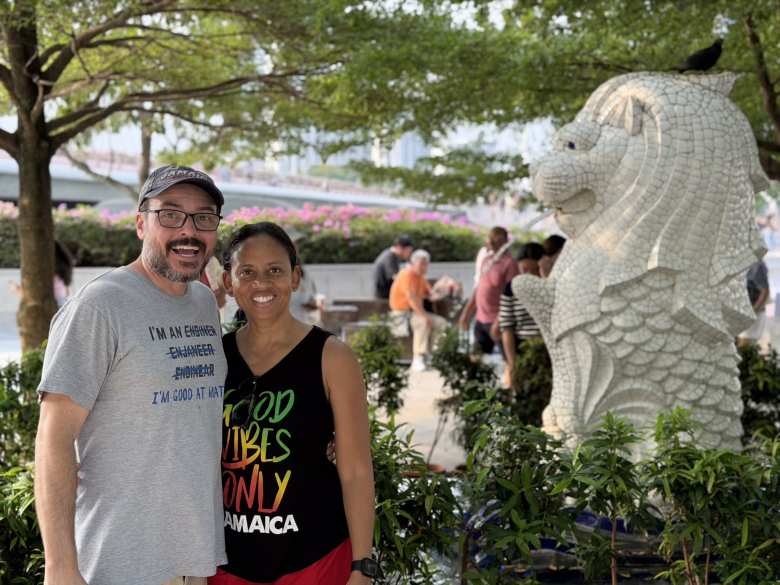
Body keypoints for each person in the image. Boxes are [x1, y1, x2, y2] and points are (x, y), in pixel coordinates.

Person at [34, 165, 228, 585]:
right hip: (117, 562)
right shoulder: (101, 305)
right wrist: (61, 567)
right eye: (171, 215)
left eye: (204, 218)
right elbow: (53, 438)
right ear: (141, 224)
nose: (188, 231)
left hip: (192, 557)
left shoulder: (202, 302)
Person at [212, 222, 375, 585]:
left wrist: (363, 566)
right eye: (247, 272)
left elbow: (356, 469)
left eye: (275, 271)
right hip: (227, 566)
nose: (262, 284)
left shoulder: (333, 356)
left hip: (315, 562)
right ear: (228, 281)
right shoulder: (214, 359)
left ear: (295, 277)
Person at [458, 227, 518, 354]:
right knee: (476, 358)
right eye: (491, 238)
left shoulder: (510, 263)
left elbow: (511, 296)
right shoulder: (486, 261)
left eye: (497, 239)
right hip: (481, 319)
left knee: (507, 360)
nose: (492, 242)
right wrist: (466, 313)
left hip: (498, 320)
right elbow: (478, 288)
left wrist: (499, 321)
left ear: (505, 241)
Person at [389, 249, 448, 372]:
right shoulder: (406, 274)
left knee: (441, 323)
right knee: (422, 321)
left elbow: (430, 295)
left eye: (426, 264)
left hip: (415, 312)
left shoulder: (420, 277)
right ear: (413, 262)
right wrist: (425, 316)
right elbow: (412, 299)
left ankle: (434, 355)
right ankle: (418, 358)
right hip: (401, 314)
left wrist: (443, 288)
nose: (424, 267)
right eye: (422, 263)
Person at [497, 243, 544, 388]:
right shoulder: (511, 289)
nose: (529, 275)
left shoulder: (549, 285)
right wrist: (512, 364)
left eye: (534, 270)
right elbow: (507, 327)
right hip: (522, 349)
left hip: (546, 350)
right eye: (524, 270)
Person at [738, 259, 770, 346]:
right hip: (747, 313)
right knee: (745, 350)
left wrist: (752, 311)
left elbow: (765, 291)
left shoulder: (756, 265)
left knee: (745, 349)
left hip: (753, 315)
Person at [372, 234, 414, 299]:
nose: (409, 254)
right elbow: (395, 277)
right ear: (399, 247)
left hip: (386, 294)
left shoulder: (389, 254)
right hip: (385, 296)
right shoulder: (390, 257)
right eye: (408, 251)